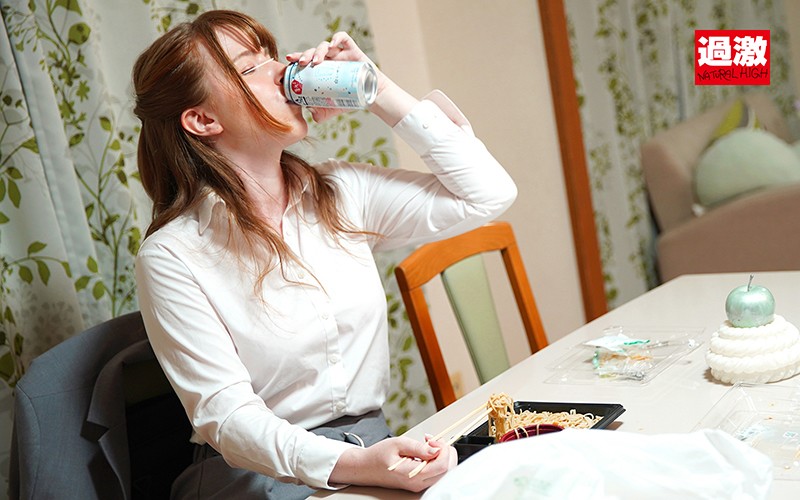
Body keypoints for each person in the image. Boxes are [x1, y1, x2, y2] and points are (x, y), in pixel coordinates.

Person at [132, 9, 517, 499]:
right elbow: (227, 418)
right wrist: (355, 464)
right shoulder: (172, 256)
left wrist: (376, 88)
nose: (282, 70)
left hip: (370, 452)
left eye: (273, 56)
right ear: (203, 119)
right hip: (255, 479)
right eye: (251, 67)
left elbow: (488, 194)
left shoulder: (341, 192)